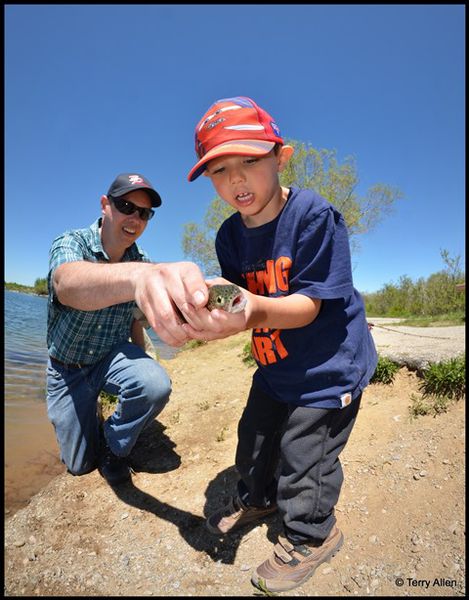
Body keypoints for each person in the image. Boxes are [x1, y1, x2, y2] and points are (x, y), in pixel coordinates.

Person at [184, 97, 378, 593]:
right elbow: (234, 300)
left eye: (249, 160)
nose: (236, 179)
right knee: (254, 439)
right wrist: (204, 314)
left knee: (305, 455)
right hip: (275, 366)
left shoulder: (314, 216)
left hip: (327, 368)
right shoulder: (229, 235)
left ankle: (313, 534)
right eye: (220, 170)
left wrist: (252, 310)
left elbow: (311, 305)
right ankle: (259, 496)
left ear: (280, 156)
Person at [46, 172, 221, 486]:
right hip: (66, 370)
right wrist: (137, 279)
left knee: (154, 383)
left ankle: (115, 445)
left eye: (144, 213)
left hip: (110, 357)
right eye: (127, 206)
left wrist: (144, 369)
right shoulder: (71, 242)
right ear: (105, 205)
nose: (135, 218)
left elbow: (136, 320)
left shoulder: (143, 262)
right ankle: (90, 417)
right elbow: (66, 285)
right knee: (79, 466)